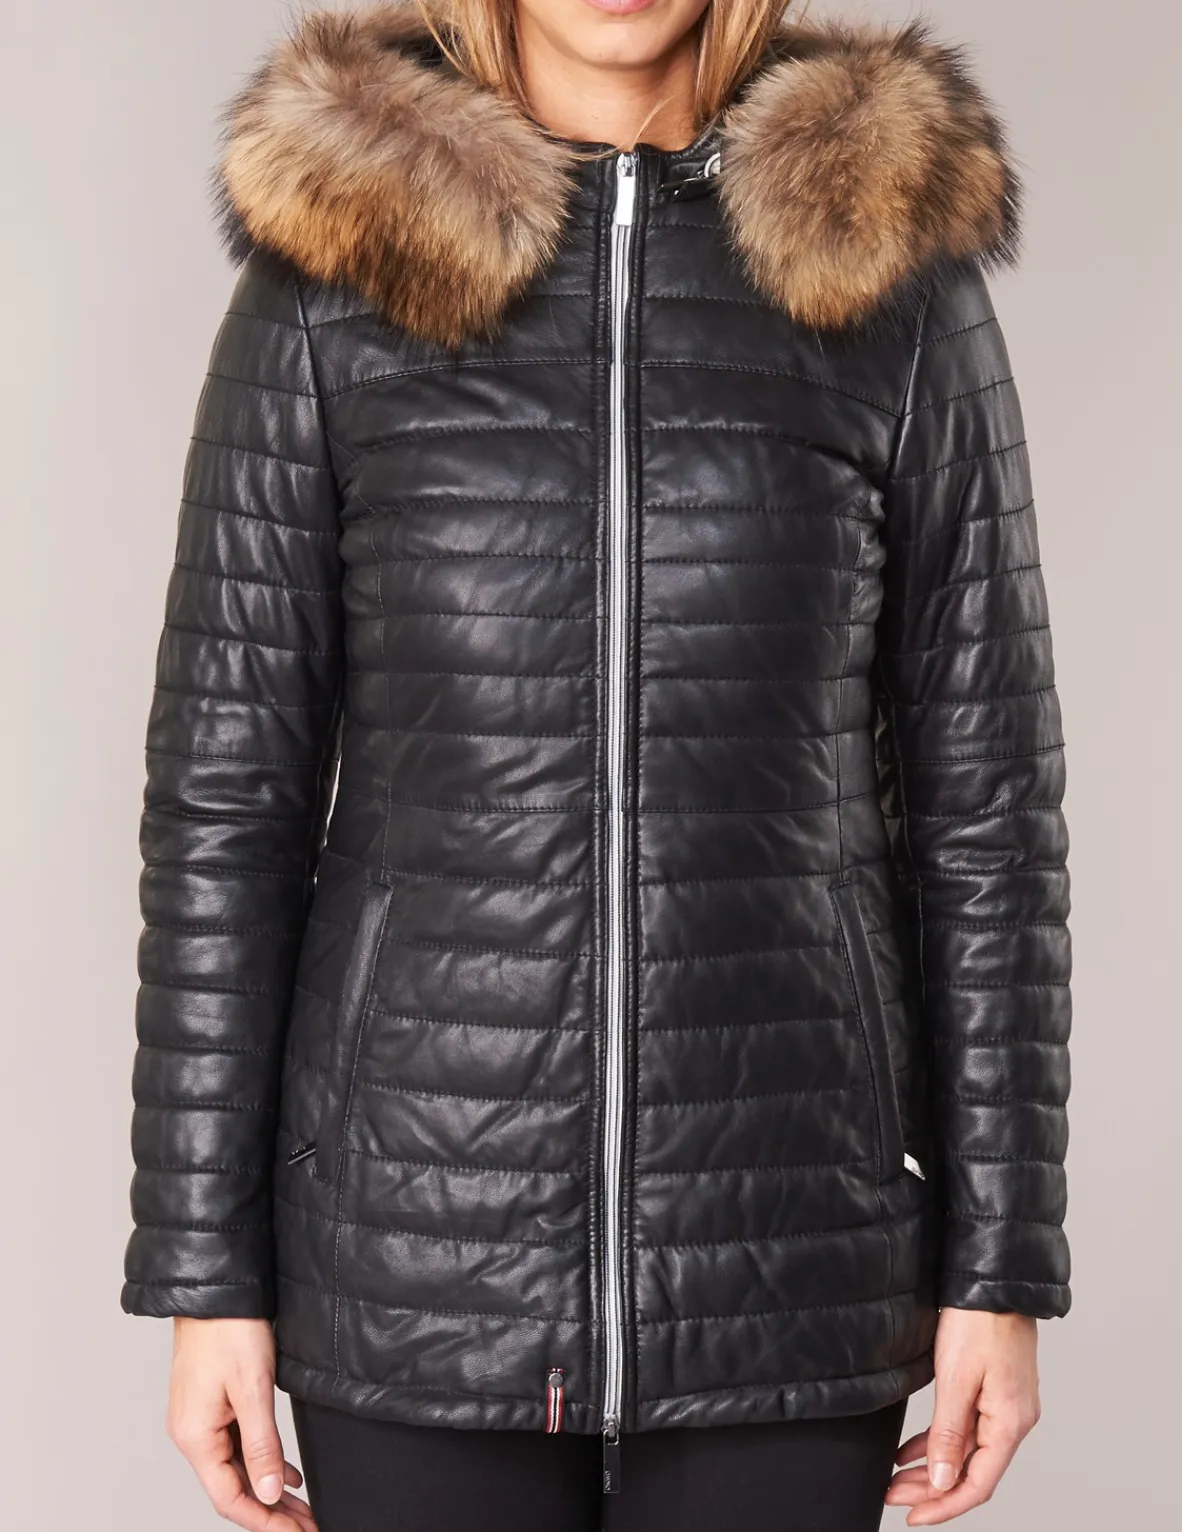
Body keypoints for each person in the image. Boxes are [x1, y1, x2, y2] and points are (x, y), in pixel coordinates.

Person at [119, 2, 1073, 1529]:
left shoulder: (889, 269)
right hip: (414, 1246)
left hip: (791, 1241)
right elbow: (228, 808)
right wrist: (204, 1269)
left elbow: (990, 813)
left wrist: (1001, 1264)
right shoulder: (334, 276)